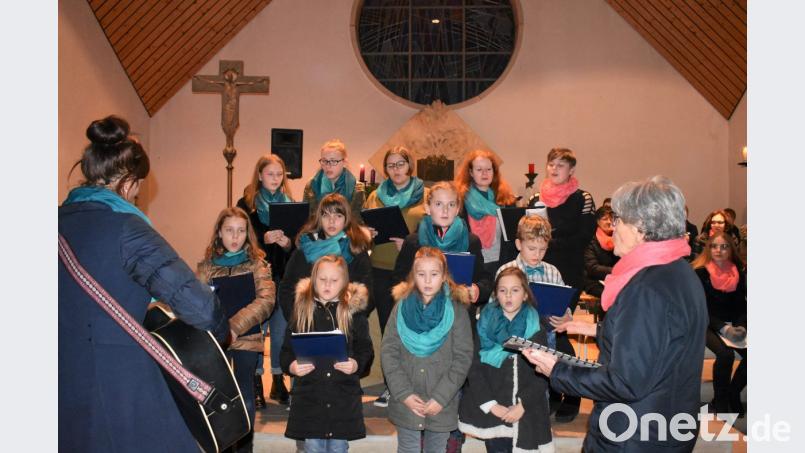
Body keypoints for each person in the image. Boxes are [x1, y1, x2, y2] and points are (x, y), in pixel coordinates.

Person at [59, 115, 230, 452]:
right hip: (120, 386)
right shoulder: (129, 230)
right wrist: (224, 330)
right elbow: (201, 308)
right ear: (128, 182)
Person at [525, 176, 708, 451]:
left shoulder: (646, 286)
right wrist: (597, 330)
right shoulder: (679, 271)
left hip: (632, 433)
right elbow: (660, 343)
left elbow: (625, 382)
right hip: (665, 425)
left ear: (641, 227)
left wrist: (557, 370)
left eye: (619, 220)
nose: (613, 228)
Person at [525, 148, 596, 422]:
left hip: (566, 275)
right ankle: (555, 391)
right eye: (551, 164)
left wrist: (549, 239)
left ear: (571, 171)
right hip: (538, 271)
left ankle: (574, 391)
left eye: (561, 165)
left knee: (560, 328)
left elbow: (583, 237)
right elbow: (528, 233)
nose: (554, 170)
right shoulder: (535, 198)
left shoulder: (583, 198)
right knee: (542, 332)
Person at [196, 207, 275, 453]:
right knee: (216, 395)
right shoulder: (207, 267)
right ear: (219, 232)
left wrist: (233, 327)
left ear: (248, 234)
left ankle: (243, 448)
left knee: (244, 394)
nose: (235, 237)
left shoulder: (257, 264)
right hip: (215, 341)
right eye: (229, 230)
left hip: (247, 339)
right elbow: (198, 301)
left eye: (241, 231)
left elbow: (266, 301)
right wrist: (219, 329)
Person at [382, 247, 474, 453]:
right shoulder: (401, 307)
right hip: (407, 398)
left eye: (434, 274)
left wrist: (441, 397)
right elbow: (388, 352)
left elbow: (463, 357)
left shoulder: (456, 310)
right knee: (408, 449)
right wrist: (404, 394)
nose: (427, 280)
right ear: (413, 276)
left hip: (442, 400)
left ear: (444, 277)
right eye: (421, 274)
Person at [280, 255, 374, 452]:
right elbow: (286, 352)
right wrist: (292, 366)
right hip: (310, 397)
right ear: (313, 279)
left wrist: (356, 364)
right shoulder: (301, 311)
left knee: (339, 447)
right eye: (322, 279)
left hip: (342, 397)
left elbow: (365, 349)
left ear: (345, 282)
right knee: (312, 447)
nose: (327, 285)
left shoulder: (354, 313)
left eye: (334, 280)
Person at [458, 267, 554, 452]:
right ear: (496, 294)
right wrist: (492, 406)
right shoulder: (483, 324)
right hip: (494, 413)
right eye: (503, 290)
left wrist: (522, 405)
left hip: (527, 412)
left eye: (515, 290)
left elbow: (544, 374)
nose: (508, 295)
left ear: (525, 294)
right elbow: (474, 368)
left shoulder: (536, 327)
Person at [362, 146, 429, 407]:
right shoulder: (376, 196)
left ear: (409, 166)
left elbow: (434, 231)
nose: (396, 170)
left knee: (410, 330)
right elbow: (363, 225)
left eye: (400, 164)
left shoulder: (425, 194)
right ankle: (392, 386)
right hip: (379, 268)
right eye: (391, 165)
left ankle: (414, 385)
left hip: (412, 271)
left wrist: (411, 243)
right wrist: (367, 232)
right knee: (388, 331)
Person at [495, 214, 576, 423]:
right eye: (532, 249)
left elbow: (563, 306)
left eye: (542, 249)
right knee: (512, 381)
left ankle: (538, 419)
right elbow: (492, 309)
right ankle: (510, 416)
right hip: (514, 337)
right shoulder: (506, 271)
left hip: (545, 336)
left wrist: (565, 317)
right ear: (518, 244)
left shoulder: (552, 271)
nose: (537, 255)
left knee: (541, 379)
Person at [237, 154, 294, 405]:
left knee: (280, 331)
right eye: (270, 174)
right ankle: (256, 380)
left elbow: (297, 246)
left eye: (279, 174)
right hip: (255, 278)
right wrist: (262, 240)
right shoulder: (246, 204)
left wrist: (287, 243)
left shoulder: (291, 204)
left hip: (281, 277)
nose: (275, 178)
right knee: (257, 331)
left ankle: (279, 381)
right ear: (259, 175)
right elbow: (238, 241)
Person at [392, 181, 492, 323]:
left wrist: (478, 290)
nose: (445, 211)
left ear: (457, 209)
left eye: (451, 205)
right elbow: (399, 278)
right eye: (438, 204)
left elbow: (485, 279)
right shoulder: (413, 242)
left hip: (458, 318)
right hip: (421, 315)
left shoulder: (471, 242)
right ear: (428, 208)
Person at [278, 193, 373, 328]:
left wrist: (348, 321)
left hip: (344, 324)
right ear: (319, 218)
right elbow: (286, 288)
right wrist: (297, 319)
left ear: (346, 219)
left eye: (338, 216)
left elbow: (367, 293)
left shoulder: (355, 250)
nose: (331, 221)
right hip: (307, 323)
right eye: (326, 215)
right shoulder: (305, 248)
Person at [691, 232, 747, 417]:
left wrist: (741, 326)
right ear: (708, 248)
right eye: (714, 246)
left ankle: (733, 393)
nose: (719, 250)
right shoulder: (700, 273)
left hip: (732, 324)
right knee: (725, 354)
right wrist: (725, 328)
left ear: (731, 250)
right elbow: (702, 309)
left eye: (724, 246)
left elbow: (742, 305)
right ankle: (721, 403)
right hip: (707, 323)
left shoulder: (738, 272)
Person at [454, 149, 518, 274]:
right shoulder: (459, 200)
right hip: (471, 264)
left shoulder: (506, 200)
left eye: (489, 169)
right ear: (471, 172)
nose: (484, 173)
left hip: (501, 265)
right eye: (479, 169)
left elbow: (512, 238)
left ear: (494, 171)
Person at [303, 139, 366, 220]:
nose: (328, 166)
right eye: (324, 161)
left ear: (344, 162)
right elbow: (306, 219)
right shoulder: (311, 185)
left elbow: (358, 221)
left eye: (333, 161)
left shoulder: (357, 188)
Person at [583, 206, 619, 299]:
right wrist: (616, 271)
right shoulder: (590, 239)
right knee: (612, 295)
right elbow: (592, 267)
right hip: (594, 281)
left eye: (611, 219)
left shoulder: (619, 238)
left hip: (615, 279)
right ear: (598, 222)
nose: (609, 222)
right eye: (605, 219)